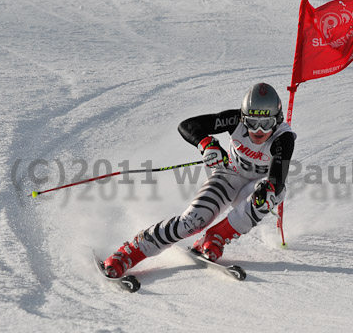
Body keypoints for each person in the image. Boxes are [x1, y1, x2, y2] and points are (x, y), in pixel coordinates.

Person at [103, 83, 297, 278]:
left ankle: (217, 236)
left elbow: (277, 178)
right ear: (243, 117)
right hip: (229, 175)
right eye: (252, 122)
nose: (258, 130)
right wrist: (207, 144)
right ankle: (131, 252)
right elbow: (188, 125)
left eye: (266, 123)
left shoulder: (284, 137)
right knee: (192, 222)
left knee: (272, 193)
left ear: (277, 120)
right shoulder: (233, 119)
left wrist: (269, 187)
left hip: (255, 186)